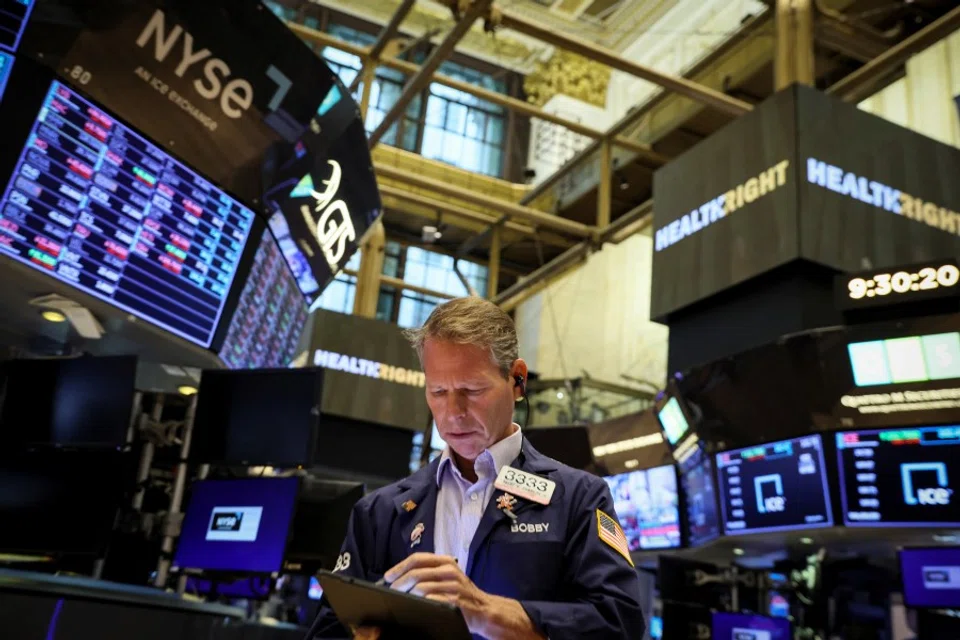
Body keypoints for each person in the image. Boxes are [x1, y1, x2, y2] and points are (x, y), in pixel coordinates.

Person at [307, 296, 645, 640]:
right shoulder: (379, 513)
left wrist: (486, 613)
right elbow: (326, 632)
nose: (453, 412)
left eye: (472, 389)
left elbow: (620, 621)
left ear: (517, 380)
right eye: (438, 391)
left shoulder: (579, 499)